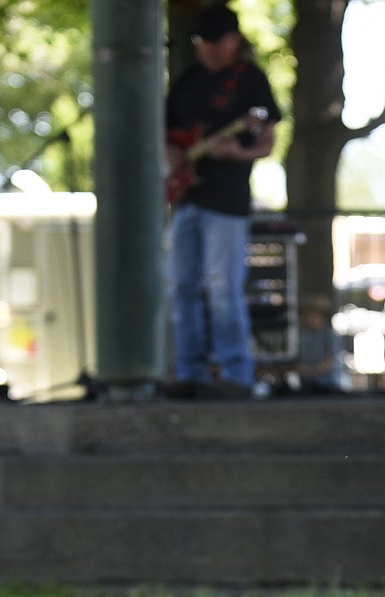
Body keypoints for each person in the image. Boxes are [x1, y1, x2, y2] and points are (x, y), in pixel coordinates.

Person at [164, 4, 281, 399]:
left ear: (235, 41)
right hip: (186, 199)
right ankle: (189, 372)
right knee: (181, 287)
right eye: (204, 43)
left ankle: (236, 375)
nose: (210, 50)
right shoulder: (187, 81)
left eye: (218, 42)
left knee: (222, 288)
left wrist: (238, 154)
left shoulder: (250, 81)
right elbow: (166, 133)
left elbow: (267, 137)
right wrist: (174, 158)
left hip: (226, 202)